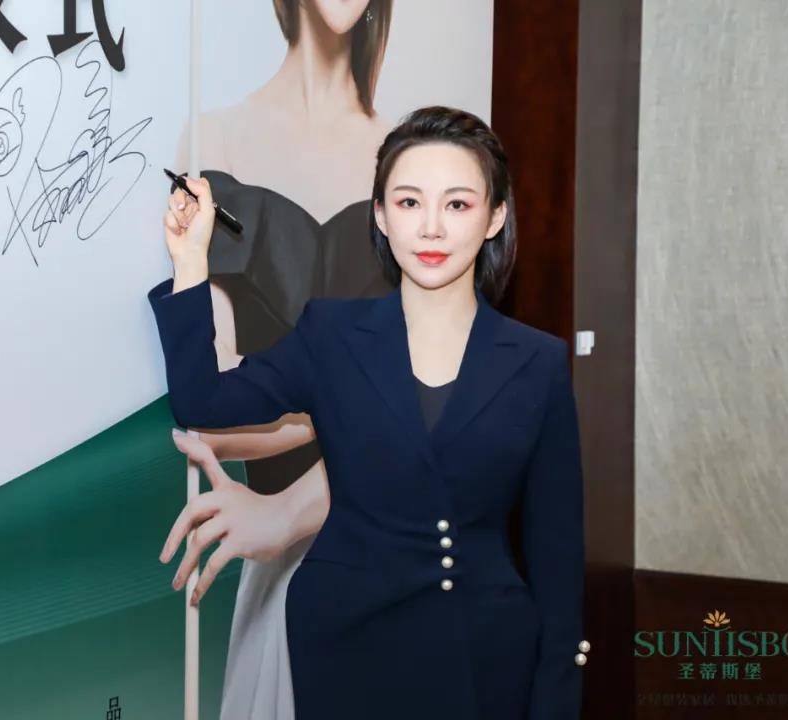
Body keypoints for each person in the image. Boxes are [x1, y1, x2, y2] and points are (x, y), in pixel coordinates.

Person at [150, 105, 586, 718]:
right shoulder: (331, 334)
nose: (431, 228)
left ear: (495, 217)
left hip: (482, 655)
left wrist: (557, 696)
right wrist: (192, 263)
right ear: (380, 214)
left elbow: (557, 561)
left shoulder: (538, 363)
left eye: (457, 204)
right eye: (409, 202)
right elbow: (205, 400)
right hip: (345, 645)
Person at [167, 2, 395, 717]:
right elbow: (211, 420)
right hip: (281, 557)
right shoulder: (217, 139)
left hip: (395, 550)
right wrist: (365, 416)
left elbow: (437, 388)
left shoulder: (409, 163)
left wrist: (363, 415)